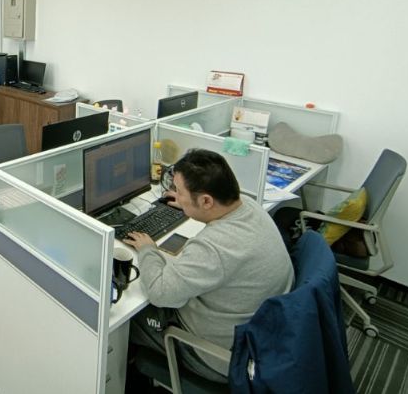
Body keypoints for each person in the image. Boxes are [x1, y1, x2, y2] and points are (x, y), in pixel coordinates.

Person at [122, 149, 294, 383]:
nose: (176, 195)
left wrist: (148, 250)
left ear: (206, 201)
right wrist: (187, 205)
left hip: (220, 354)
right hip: (263, 336)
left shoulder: (213, 248)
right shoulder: (249, 206)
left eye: (179, 191)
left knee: (127, 318)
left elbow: (160, 293)